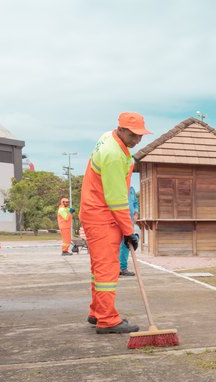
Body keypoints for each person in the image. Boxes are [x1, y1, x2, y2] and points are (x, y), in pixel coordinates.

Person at [79, 112, 151, 334]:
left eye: (140, 135)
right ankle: (107, 320)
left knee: (99, 268)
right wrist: (129, 232)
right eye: (133, 135)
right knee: (107, 270)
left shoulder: (108, 138)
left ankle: (97, 311)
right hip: (102, 215)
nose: (137, 140)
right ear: (121, 129)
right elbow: (117, 200)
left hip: (95, 211)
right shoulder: (112, 154)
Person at [118, 186, 139, 276]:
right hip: (117, 220)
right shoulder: (118, 186)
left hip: (129, 221)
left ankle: (123, 268)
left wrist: (136, 213)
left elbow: (135, 203)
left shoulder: (131, 189)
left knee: (126, 244)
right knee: (115, 244)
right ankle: (114, 268)